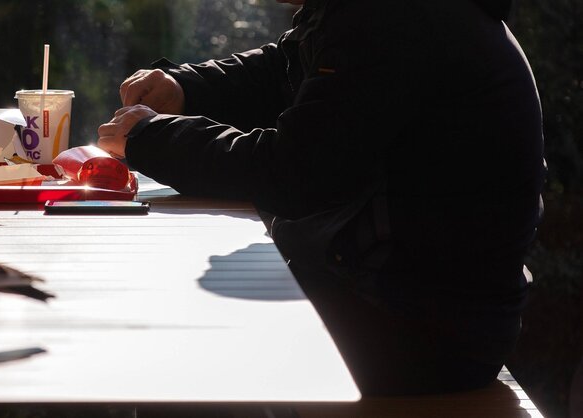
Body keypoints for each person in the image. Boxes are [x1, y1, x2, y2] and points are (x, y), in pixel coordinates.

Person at [97, 0, 545, 396]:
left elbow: (296, 173)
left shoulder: (394, 18)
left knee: (185, 344)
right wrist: (187, 90)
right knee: (193, 324)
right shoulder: (358, 15)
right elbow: (287, 72)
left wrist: (154, 139)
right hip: (421, 305)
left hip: (419, 328)